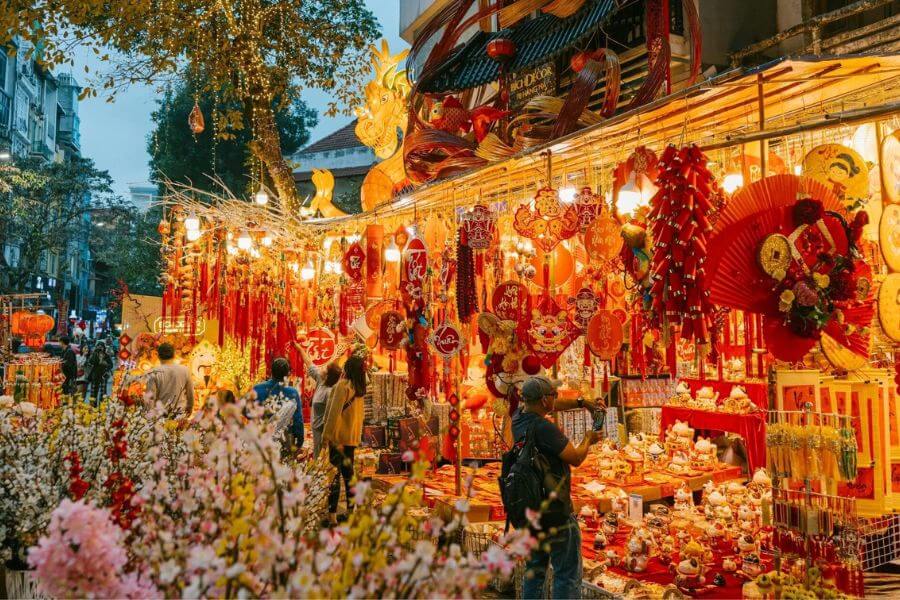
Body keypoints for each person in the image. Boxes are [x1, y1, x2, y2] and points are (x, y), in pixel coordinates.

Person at [512, 375, 601, 600]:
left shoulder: (519, 418)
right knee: (567, 573)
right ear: (544, 401)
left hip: (530, 510)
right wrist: (589, 439)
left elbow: (553, 406)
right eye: (554, 395)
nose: (556, 399)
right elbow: (575, 457)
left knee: (535, 571)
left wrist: (581, 403)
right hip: (554, 511)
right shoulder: (544, 428)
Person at [322, 354, 366, 525]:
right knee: (349, 477)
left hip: (338, 438)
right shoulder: (360, 389)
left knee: (334, 476)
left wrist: (326, 437)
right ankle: (350, 512)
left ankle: (332, 516)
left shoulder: (342, 386)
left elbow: (333, 414)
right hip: (351, 439)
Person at [298, 345, 342, 458]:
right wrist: (300, 349)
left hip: (324, 434)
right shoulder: (321, 380)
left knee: (323, 460)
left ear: (328, 376)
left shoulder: (330, 392)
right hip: (316, 430)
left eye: (325, 369)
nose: (322, 369)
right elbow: (309, 364)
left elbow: (331, 417)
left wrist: (326, 438)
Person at [252, 357, 303, 448]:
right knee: (283, 461)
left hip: (262, 437)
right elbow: (297, 418)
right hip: (284, 438)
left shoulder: (258, 389)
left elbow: (249, 413)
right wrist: (300, 437)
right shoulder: (292, 392)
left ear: (271, 372)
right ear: (287, 374)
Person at [145, 342, 194, 416]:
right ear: (174, 355)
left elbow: (150, 398)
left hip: (161, 414)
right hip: (180, 413)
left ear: (158, 356)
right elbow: (190, 393)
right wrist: (190, 407)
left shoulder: (153, 372)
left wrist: (150, 415)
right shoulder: (185, 370)